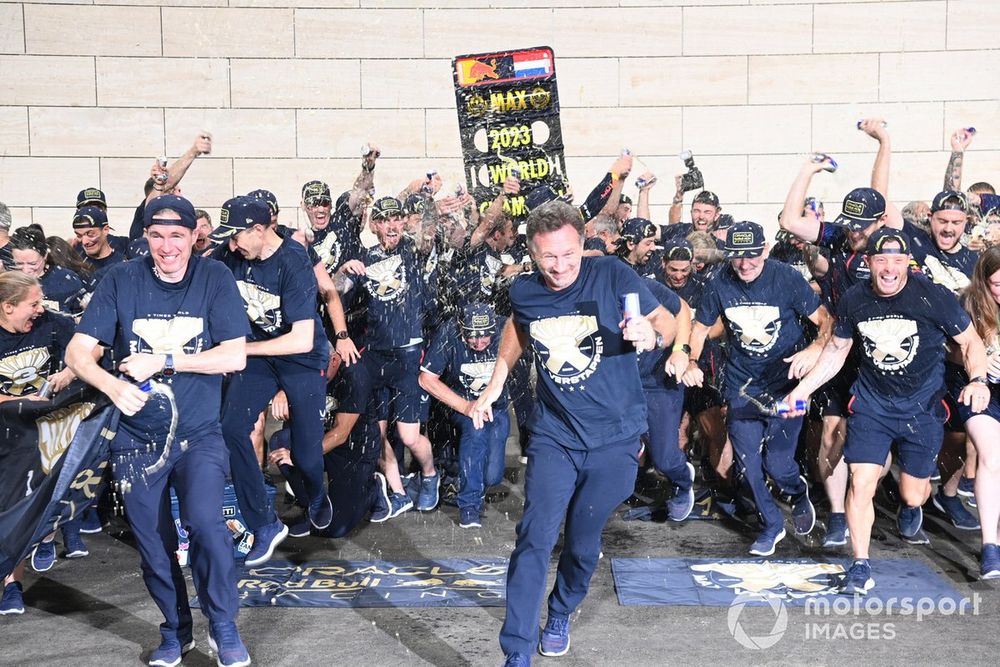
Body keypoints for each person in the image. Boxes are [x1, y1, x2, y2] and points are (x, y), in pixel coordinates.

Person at [470, 200, 681, 665]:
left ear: (581, 244)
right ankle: (517, 652)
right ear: (531, 253)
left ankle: (561, 609)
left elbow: (667, 319)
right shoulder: (525, 291)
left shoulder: (611, 275)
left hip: (616, 438)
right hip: (555, 436)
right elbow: (518, 328)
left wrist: (652, 336)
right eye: (549, 257)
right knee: (534, 538)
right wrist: (496, 381)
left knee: (583, 547)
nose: (560, 266)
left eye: (568, 254)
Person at [65, 194, 253, 666]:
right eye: (156, 235)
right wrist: (110, 384)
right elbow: (76, 352)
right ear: (144, 236)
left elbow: (234, 356)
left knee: (208, 525)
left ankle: (224, 627)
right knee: (153, 544)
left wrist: (166, 360)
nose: (166, 246)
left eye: (176, 235)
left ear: (194, 236)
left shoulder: (215, 278)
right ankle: (176, 631)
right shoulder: (120, 279)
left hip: (198, 433)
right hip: (136, 441)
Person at [782, 228, 990, 595]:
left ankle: (913, 505)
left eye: (897, 260)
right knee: (861, 482)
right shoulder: (854, 299)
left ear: (908, 263)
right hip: (872, 407)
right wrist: (801, 390)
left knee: (913, 494)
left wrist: (977, 379)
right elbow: (836, 351)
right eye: (881, 260)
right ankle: (860, 563)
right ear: (869, 263)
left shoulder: (933, 296)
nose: (889, 268)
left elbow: (970, 341)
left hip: (921, 409)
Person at [683, 221, 831, 556]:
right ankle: (771, 523)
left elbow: (826, 321)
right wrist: (690, 360)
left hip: (786, 384)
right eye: (737, 257)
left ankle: (795, 491)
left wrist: (813, 349)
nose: (745, 264)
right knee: (748, 462)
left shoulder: (786, 278)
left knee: (778, 465)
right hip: (742, 384)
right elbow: (700, 328)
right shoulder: (718, 282)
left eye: (752, 256)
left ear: (764, 250)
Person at [211, 196, 333, 567]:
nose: (231, 245)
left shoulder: (294, 261)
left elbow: (300, 339)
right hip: (260, 357)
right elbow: (195, 269)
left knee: (309, 456)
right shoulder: (232, 253)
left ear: (259, 230)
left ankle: (315, 493)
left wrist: (243, 350)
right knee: (232, 428)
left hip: (301, 359)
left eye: (236, 237)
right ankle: (264, 524)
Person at [335, 196, 439, 517]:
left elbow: (428, 235)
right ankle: (397, 491)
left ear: (404, 222)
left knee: (409, 436)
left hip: (408, 357)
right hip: (376, 357)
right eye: (385, 219)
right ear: (375, 225)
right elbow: (333, 293)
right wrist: (341, 270)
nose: (392, 225)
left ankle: (430, 475)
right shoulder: (363, 259)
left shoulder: (413, 251)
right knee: (375, 434)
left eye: (397, 219)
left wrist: (429, 201)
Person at [0, 271, 79, 616]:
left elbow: (87, 350)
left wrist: (72, 370)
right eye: (32, 304)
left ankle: (13, 579)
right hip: (5, 427)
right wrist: (17, 401)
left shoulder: (53, 323)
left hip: (38, 433)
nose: (39, 309)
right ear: (7, 306)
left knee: (21, 504)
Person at [420, 303, 510, 529]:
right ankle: (469, 506)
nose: (479, 343)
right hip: (461, 402)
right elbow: (426, 379)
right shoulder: (449, 331)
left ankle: (465, 476)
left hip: (495, 406)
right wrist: (466, 406)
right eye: (472, 338)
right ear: (462, 330)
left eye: (484, 337)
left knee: (492, 477)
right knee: (475, 428)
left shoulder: (507, 329)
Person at [946, 246, 1000, 578]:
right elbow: (950, 350)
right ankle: (989, 545)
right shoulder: (968, 304)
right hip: (978, 390)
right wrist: (978, 362)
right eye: (996, 283)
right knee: (992, 457)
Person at [9, 226, 88, 317]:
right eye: (19, 264)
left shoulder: (67, 280)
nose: (26, 270)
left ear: (45, 255)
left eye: (32, 264)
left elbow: (81, 319)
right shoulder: (8, 282)